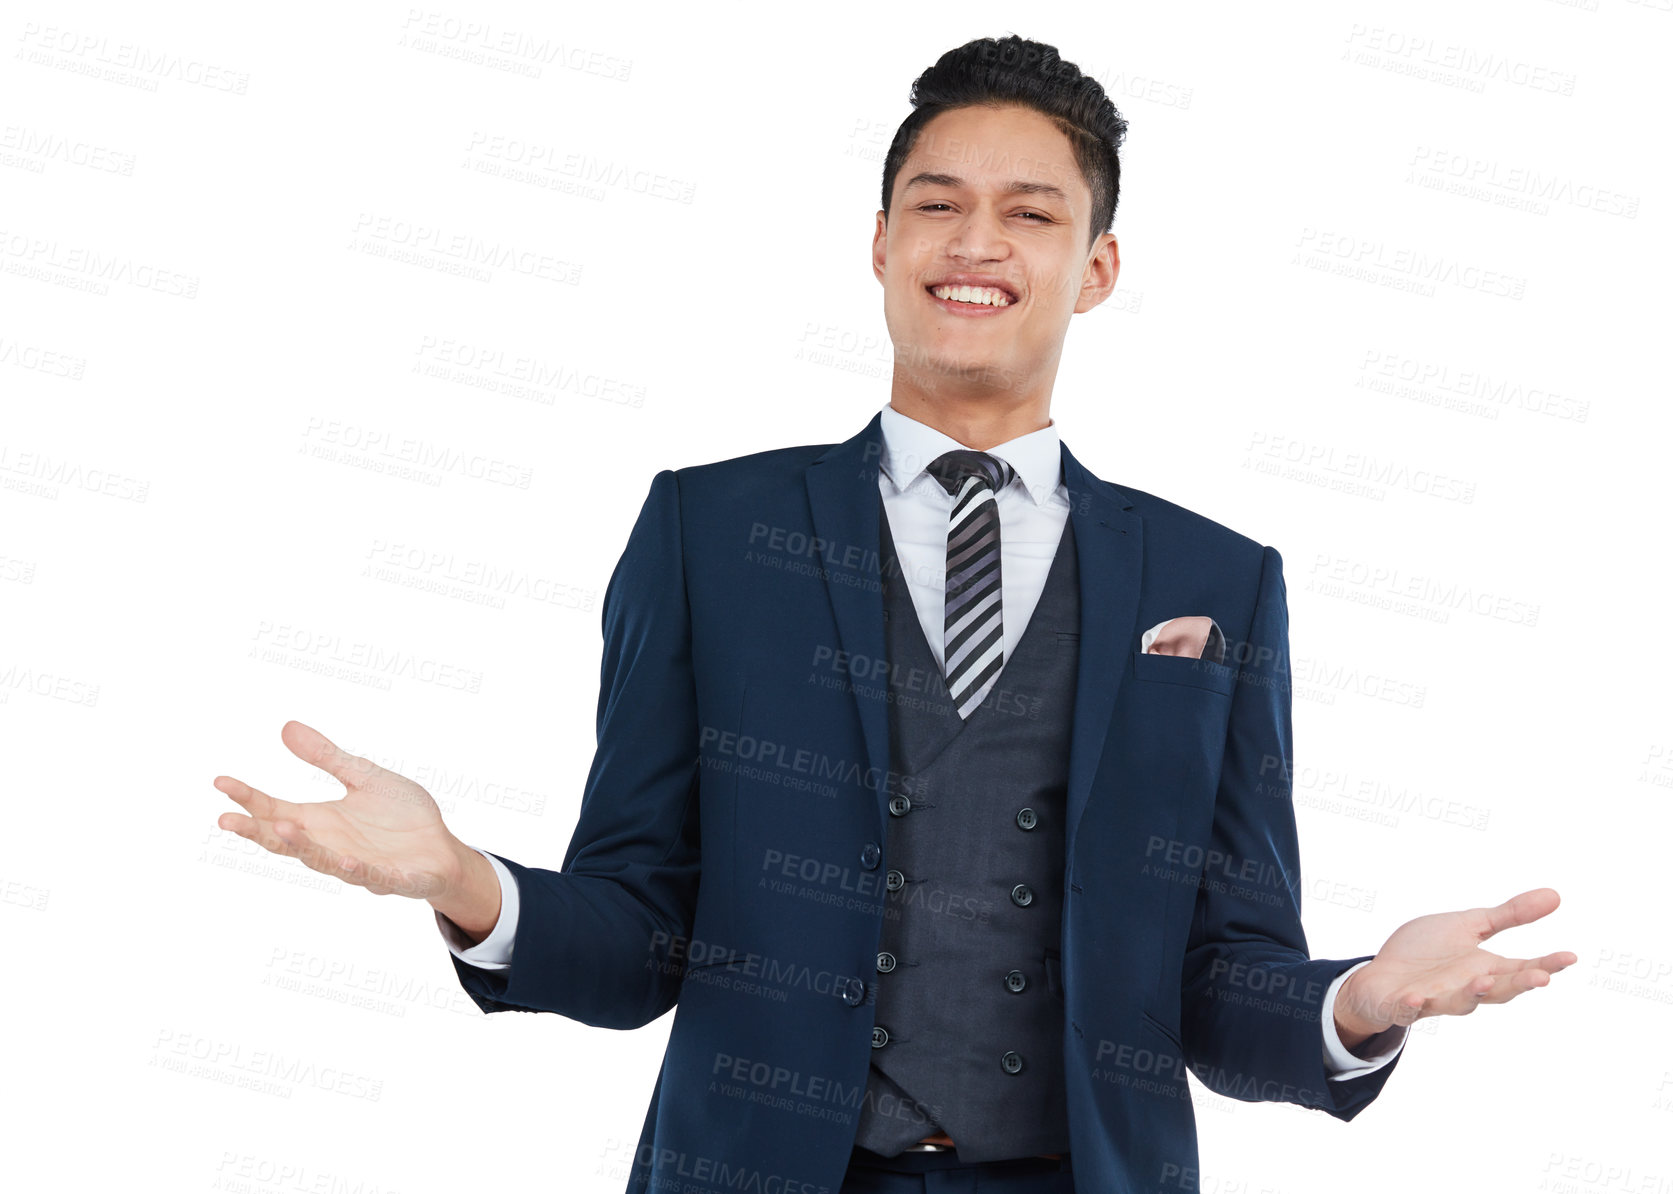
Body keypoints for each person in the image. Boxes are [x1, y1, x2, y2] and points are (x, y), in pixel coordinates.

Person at [215, 34, 1574, 1194]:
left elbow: (1218, 983)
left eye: (1030, 212)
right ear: (879, 243)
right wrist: (461, 878)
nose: (977, 241)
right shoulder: (708, 530)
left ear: (1095, 267)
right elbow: (640, 936)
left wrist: (1355, 1002)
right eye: (938, 203)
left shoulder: (1214, 580)